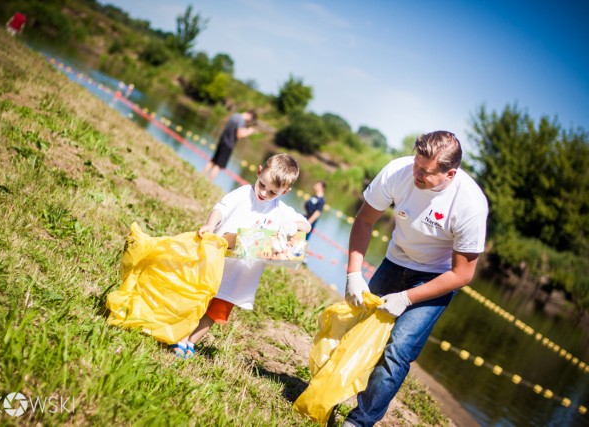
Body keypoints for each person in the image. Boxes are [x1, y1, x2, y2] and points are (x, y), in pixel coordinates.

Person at [341, 131, 488, 427]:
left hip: (437, 277)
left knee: (397, 350)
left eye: (426, 171)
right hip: (395, 261)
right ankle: (328, 393)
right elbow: (365, 220)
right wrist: (353, 273)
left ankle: (358, 422)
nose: (416, 173)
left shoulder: (470, 205)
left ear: (450, 173)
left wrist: (407, 298)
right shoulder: (399, 171)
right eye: (416, 165)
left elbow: (463, 274)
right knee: (356, 331)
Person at [172, 153, 311, 358]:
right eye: (262, 184)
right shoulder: (243, 193)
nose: (264, 193)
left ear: (285, 191)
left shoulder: (281, 211)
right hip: (218, 263)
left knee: (216, 311)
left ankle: (192, 342)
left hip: (239, 275)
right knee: (198, 298)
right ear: (259, 171)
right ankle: (181, 336)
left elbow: (305, 224)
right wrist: (211, 224)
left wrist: (292, 226)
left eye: (273, 192)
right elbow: (221, 208)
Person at [202, 110, 256, 179]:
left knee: (213, 161)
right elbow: (239, 135)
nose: (248, 122)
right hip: (228, 144)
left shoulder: (235, 115)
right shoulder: (241, 121)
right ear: (250, 116)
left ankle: (202, 175)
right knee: (219, 165)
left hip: (222, 140)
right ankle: (209, 181)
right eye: (250, 120)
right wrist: (248, 132)